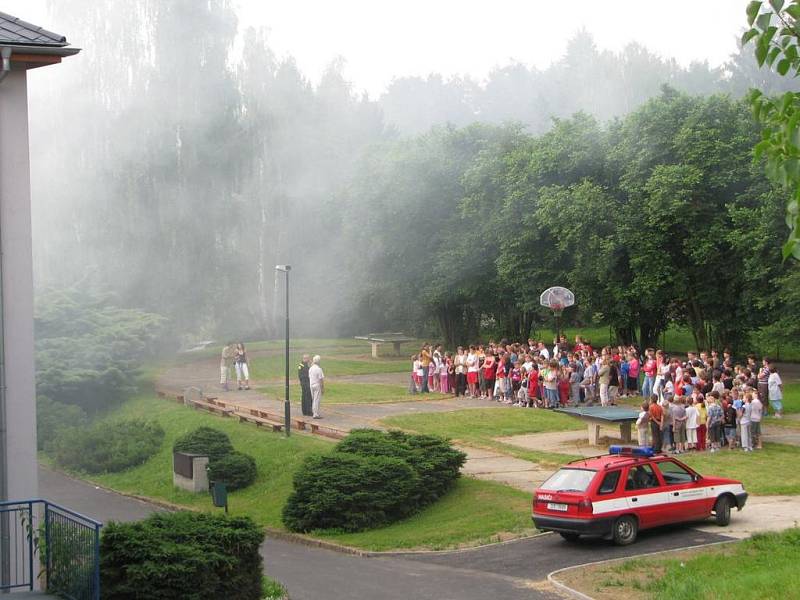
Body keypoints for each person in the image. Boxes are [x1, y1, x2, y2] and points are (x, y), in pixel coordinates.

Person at [309, 355, 325, 419]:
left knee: (314, 399)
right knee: (317, 400)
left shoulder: (310, 368)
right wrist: (322, 388)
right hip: (317, 385)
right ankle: (315, 414)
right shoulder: (319, 369)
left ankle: (314, 412)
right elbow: (321, 379)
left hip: (311, 385)